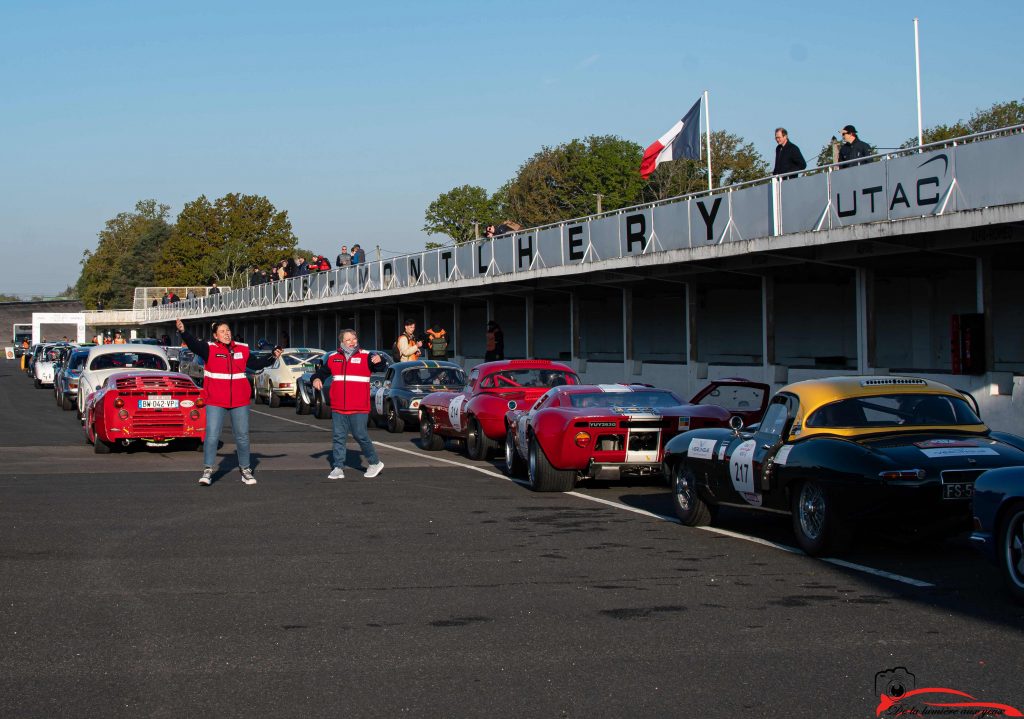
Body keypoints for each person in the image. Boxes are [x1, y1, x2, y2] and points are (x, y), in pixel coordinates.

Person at [175, 317, 281, 486]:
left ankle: (245, 470)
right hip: (215, 400)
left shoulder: (242, 349)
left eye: (228, 331)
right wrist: (183, 331)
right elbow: (193, 343)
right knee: (211, 436)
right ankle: (208, 471)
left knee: (242, 436)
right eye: (222, 332)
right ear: (215, 336)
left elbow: (256, 364)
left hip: (239, 400)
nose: (226, 334)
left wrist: (272, 356)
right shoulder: (209, 348)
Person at [312, 329, 385, 479]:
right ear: (341, 342)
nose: (352, 342)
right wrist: (316, 378)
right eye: (348, 340)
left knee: (360, 435)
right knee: (338, 437)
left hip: (359, 406)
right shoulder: (333, 357)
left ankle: (374, 462)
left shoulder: (366, 356)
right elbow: (321, 373)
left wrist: (380, 361)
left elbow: (380, 366)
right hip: (338, 406)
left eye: (354, 339)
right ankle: (338, 467)